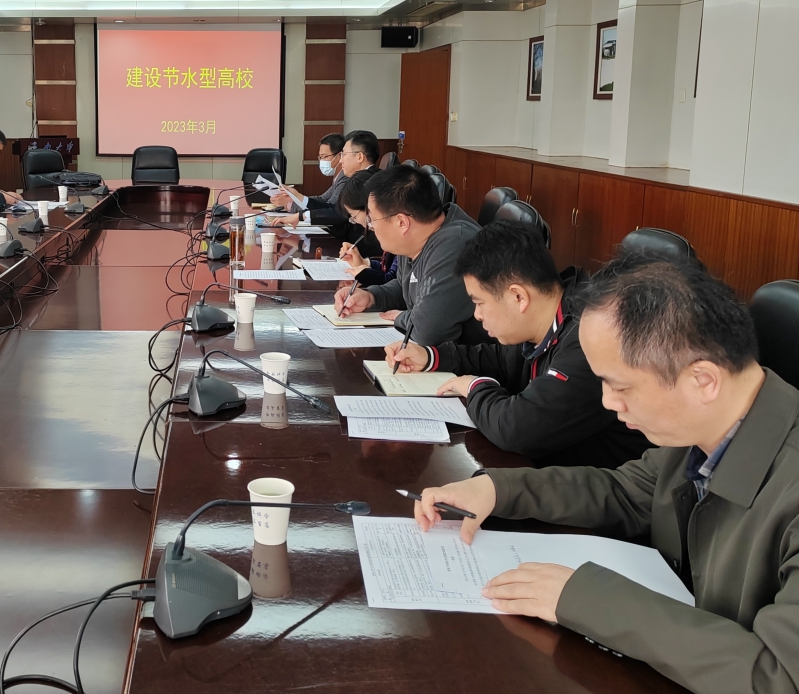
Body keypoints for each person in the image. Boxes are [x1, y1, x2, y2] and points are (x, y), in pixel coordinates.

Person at [411, 251, 799, 693]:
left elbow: (777, 677)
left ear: (703, 380)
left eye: (620, 385)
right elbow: (626, 492)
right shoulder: (704, 428)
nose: (608, 403)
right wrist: (498, 490)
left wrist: (583, 598)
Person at [385, 220, 651, 468]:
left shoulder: (589, 338)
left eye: (479, 302)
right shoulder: (545, 316)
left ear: (518, 297)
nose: (477, 315)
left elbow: (517, 429)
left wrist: (474, 387)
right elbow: (501, 359)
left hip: (598, 489)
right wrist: (431, 356)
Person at [334, 164, 487, 345]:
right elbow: (405, 286)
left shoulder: (455, 245)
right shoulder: (415, 239)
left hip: (467, 357)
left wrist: (402, 317)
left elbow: (428, 331)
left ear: (402, 222)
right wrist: (371, 297)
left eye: (372, 219)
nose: (371, 227)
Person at [268, 130, 378, 231]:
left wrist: (301, 214)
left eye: (344, 155)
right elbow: (329, 205)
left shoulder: (366, 181)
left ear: (359, 157)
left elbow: (339, 213)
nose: (341, 160)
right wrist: (297, 197)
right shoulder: (361, 178)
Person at [270, 133, 345, 211]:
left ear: (339, 156)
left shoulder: (344, 178)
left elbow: (329, 208)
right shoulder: (338, 177)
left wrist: (291, 203)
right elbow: (322, 199)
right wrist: (294, 198)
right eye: (320, 157)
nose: (322, 161)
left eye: (325, 156)